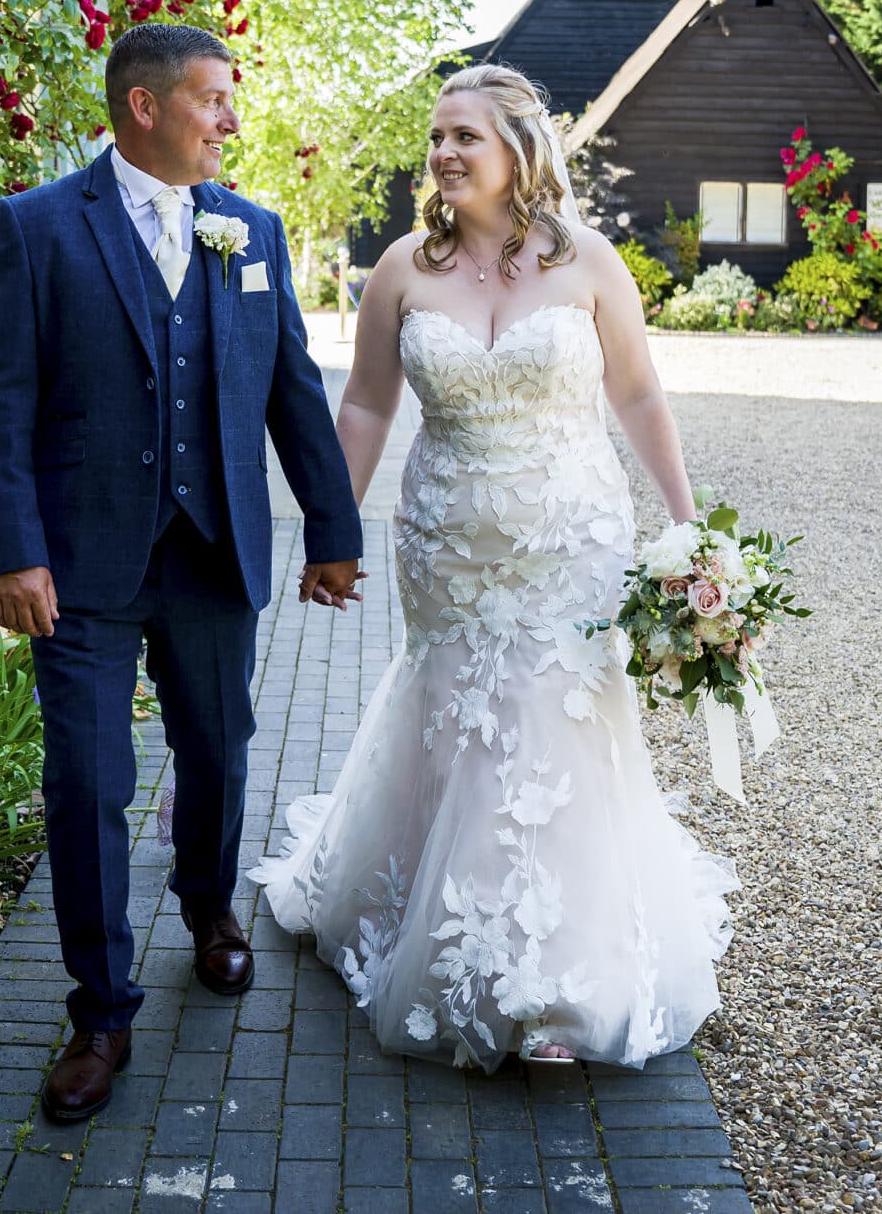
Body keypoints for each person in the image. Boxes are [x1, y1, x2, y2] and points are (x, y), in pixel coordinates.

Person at [248, 62, 737, 1068]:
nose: (442, 153)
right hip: (447, 546)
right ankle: (440, 926)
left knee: (555, 722)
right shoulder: (400, 268)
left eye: (463, 135)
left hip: (571, 546)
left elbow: (640, 397)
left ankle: (555, 983)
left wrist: (690, 530)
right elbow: (370, 405)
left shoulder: (591, 261)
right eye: (436, 136)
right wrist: (328, 527)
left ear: (520, 148)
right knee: (462, 719)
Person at [0, 23, 366, 1122]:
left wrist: (333, 529)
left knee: (220, 748)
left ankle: (210, 909)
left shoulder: (252, 232)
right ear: (143, 107)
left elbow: (291, 383)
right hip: (81, 565)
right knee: (88, 783)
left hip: (213, 548)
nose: (231, 121)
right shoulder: (37, 227)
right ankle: (100, 1008)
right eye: (213, 99)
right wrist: (16, 551)